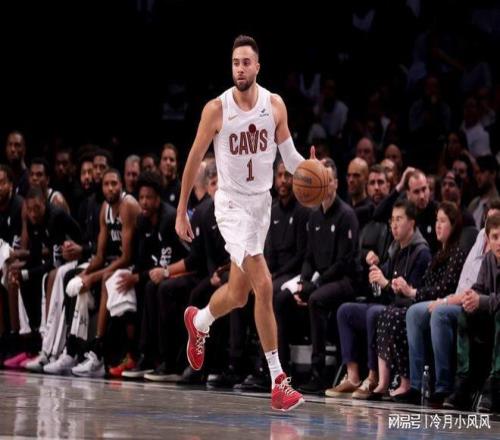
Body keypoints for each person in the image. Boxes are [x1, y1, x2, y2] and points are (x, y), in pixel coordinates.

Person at [176, 35, 311, 411]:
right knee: (264, 285)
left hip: (260, 207)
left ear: (257, 66)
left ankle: (199, 321)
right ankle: (279, 381)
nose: (240, 68)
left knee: (238, 294)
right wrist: (182, 209)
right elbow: (193, 159)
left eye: (246, 62)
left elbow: (290, 157)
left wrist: (312, 169)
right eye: (235, 62)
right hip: (231, 207)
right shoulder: (216, 109)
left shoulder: (274, 105)